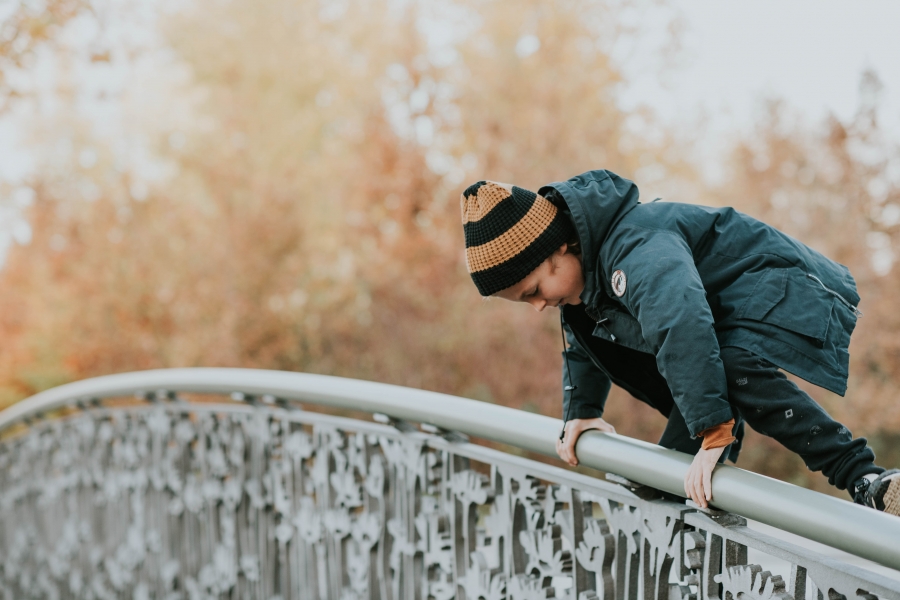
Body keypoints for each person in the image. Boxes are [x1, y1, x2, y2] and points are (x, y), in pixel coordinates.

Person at [459, 169, 899, 515]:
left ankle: (864, 478)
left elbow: (681, 322)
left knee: (727, 364)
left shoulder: (636, 247)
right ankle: (700, 439)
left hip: (780, 283)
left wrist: (713, 433)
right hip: (717, 310)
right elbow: (582, 344)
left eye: (534, 291)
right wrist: (582, 413)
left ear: (561, 247)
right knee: (658, 471)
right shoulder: (588, 279)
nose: (537, 306)